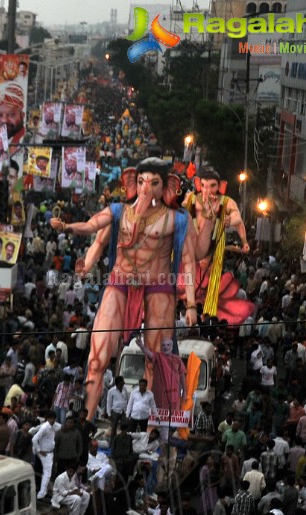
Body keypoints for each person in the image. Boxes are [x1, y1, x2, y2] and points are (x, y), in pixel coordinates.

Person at [50, 158, 198, 419]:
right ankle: (85, 420)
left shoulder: (176, 220)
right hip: (119, 283)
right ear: (133, 182)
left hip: (158, 287)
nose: (145, 189)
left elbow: (188, 262)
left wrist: (191, 304)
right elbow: (93, 228)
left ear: (166, 187)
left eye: (153, 183)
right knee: (96, 360)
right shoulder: (119, 211)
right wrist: (68, 228)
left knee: (157, 362)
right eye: (141, 182)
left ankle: (154, 425)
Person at [180, 168, 254, 323]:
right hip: (193, 243)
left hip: (214, 245)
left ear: (220, 186)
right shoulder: (192, 198)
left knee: (211, 279)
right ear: (199, 184)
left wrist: (244, 241)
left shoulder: (225, 202)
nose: (208, 190)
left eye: (212, 186)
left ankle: (208, 312)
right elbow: (180, 214)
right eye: (205, 185)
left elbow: (237, 219)